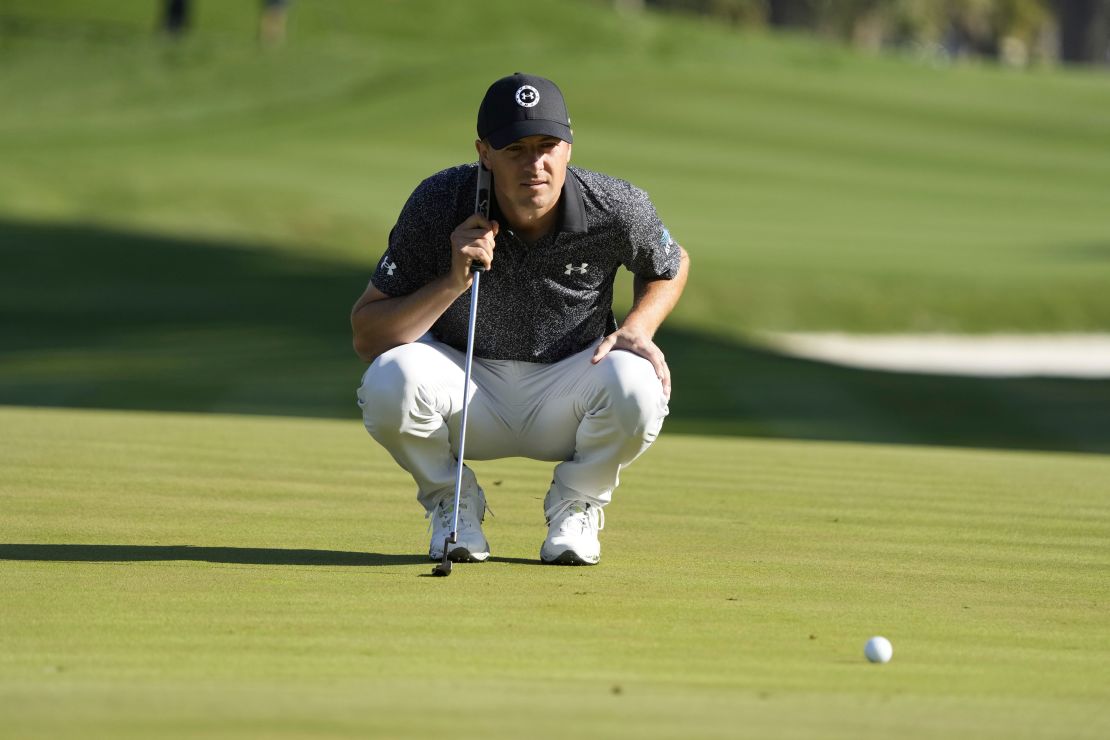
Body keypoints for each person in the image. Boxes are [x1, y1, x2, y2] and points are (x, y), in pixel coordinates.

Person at [352, 73, 689, 565]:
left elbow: (671, 263)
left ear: (569, 147)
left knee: (639, 382)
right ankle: (452, 503)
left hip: (569, 390)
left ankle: (577, 503)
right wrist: (451, 281)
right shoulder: (439, 201)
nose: (535, 164)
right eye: (515, 149)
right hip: (466, 387)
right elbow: (367, 335)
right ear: (484, 152)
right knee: (389, 380)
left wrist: (639, 326)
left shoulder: (614, 205)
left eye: (548, 145)